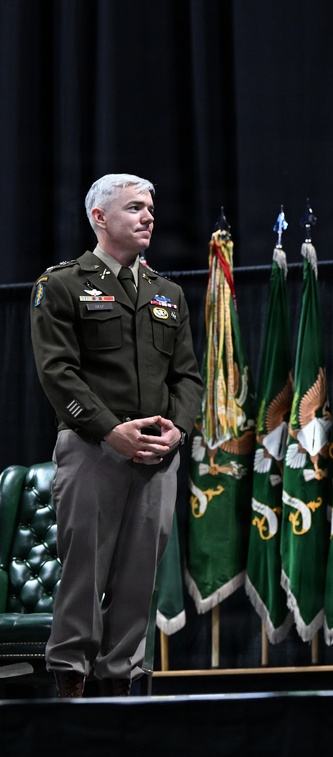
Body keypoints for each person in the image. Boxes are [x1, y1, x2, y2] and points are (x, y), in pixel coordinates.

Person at [29, 174, 202, 697]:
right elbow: (58, 372)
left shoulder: (167, 293)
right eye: (134, 208)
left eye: (150, 207)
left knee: (138, 578)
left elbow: (188, 376)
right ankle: (70, 685)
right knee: (85, 572)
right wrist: (110, 430)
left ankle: (122, 685)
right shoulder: (59, 284)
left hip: (156, 452)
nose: (148, 216)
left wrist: (178, 428)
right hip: (91, 449)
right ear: (99, 218)